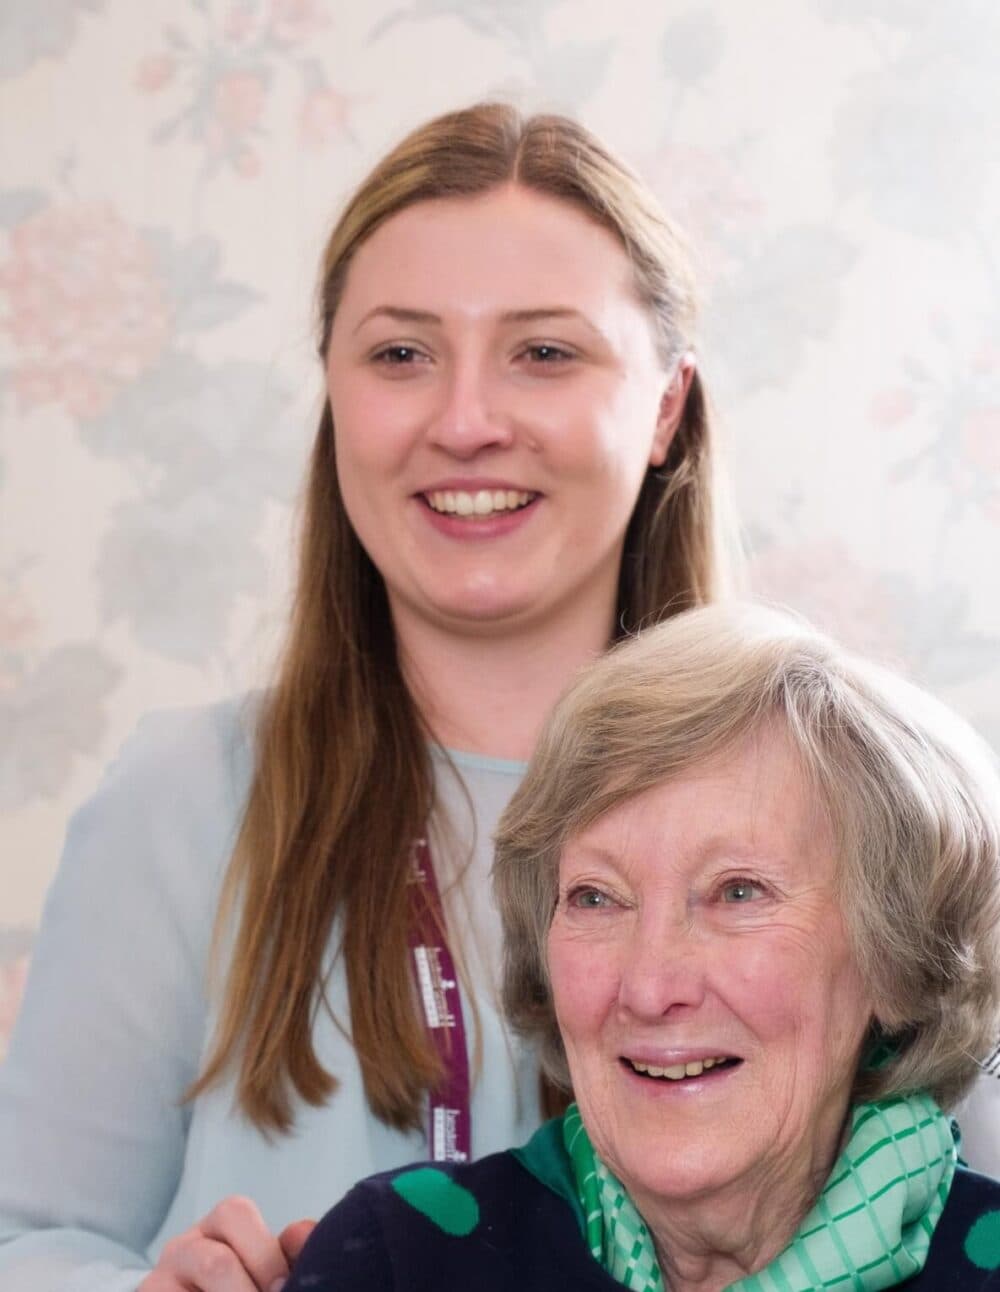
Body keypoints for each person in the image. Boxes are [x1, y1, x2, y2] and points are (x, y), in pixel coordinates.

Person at [0, 102, 731, 1292]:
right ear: (335, 392)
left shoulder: (845, 812)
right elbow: (22, 1237)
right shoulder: (186, 796)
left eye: (543, 352)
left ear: (663, 407)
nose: (464, 422)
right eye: (401, 354)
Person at [283, 603, 1000, 1292]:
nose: (650, 987)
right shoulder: (400, 1261)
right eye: (596, 898)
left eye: (738, 892)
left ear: (898, 958)